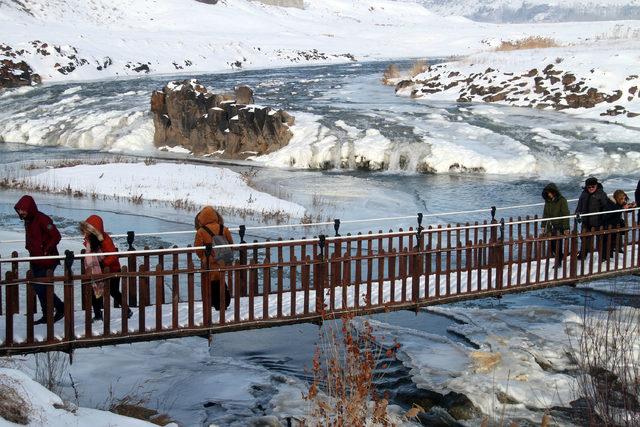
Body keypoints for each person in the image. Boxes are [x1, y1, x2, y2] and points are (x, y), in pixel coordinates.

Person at [14, 195, 64, 324]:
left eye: (22, 210)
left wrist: (46, 250)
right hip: (36, 259)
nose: (21, 212)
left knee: (41, 287)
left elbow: (56, 236)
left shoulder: (42, 219)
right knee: (39, 288)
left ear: (29, 208)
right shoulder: (28, 220)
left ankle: (60, 307)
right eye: (19, 210)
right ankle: (47, 315)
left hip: (47, 259)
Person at [79, 215, 132, 321]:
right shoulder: (91, 239)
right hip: (99, 270)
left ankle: (127, 310)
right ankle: (98, 314)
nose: (87, 231)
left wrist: (103, 263)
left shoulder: (105, 240)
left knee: (114, 291)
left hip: (112, 269)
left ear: (95, 229)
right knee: (95, 292)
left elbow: (113, 255)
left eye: (89, 229)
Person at [194, 206, 233, 311]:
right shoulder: (223, 228)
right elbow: (230, 243)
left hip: (209, 261)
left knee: (211, 282)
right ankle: (224, 302)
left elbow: (198, 249)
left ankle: (214, 303)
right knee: (221, 279)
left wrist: (204, 257)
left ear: (201, 218)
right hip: (223, 260)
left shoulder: (201, 231)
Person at [575, 177, 608, 259]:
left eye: (593, 186)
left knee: (600, 239)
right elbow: (579, 205)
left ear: (596, 186)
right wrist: (578, 214)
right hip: (586, 221)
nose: (591, 188)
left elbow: (605, 207)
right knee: (584, 238)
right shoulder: (584, 194)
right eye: (589, 187)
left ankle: (603, 256)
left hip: (597, 220)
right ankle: (583, 255)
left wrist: (603, 219)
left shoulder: (601, 194)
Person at [541, 183, 570, 266]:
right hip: (551, 226)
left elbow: (565, 214)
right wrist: (543, 226)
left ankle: (558, 262)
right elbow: (545, 214)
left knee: (558, 245)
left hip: (559, 225)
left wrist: (566, 228)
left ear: (554, 192)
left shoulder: (562, 200)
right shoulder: (548, 201)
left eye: (549, 192)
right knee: (552, 245)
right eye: (547, 193)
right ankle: (559, 258)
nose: (548, 194)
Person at [604, 190, 636, 257]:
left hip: (615, 225)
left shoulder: (619, 203)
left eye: (624, 198)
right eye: (621, 199)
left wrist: (632, 206)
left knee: (614, 241)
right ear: (617, 198)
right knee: (608, 243)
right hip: (609, 225)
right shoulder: (610, 203)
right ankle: (607, 257)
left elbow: (625, 207)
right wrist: (621, 208)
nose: (623, 200)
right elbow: (611, 214)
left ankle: (613, 253)